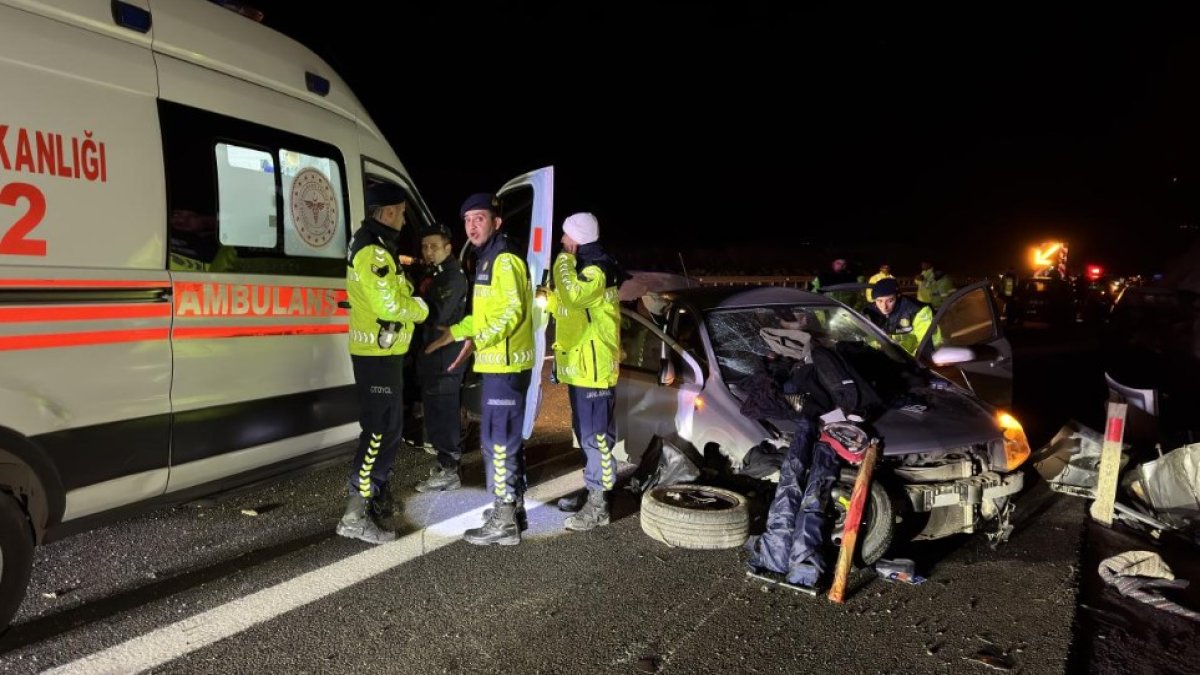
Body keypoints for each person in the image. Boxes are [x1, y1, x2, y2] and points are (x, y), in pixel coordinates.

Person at [425, 192, 535, 546]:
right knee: (501, 440)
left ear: (496, 222)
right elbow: (486, 314)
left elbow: (511, 312)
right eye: (468, 220)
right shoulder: (488, 257)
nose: (472, 226)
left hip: (506, 364)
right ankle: (511, 509)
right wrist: (457, 332)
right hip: (500, 363)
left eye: (480, 218)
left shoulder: (504, 259)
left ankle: (504, 520)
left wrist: (479, 339)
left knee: (498, 442)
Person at [337, 182, 429, 544]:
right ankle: (354, 514)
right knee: (377, 431)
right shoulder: (372, 250)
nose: (404, 220)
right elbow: (389, 305)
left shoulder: (378, 244)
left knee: (390, 428)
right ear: (389, 212)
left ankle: (375, 495)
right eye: (402, 213)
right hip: (375, 355)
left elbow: (395, 291)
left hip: (384, 352)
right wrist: (420, 309)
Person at [539, 212, 626, 531]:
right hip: (580, 369)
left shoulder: (596, 269)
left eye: (566, 236)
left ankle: (599, 505)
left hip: (594, 371)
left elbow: (575, 296)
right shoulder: (584, 269)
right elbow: (571, 309)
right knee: (586, 435)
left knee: (596, 438)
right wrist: (548, 299)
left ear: (577, 238)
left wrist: (563, 261)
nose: (562, 241)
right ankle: (593, 491)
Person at [413, 223, 470, 493]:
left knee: (444, 412)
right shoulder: (435, 273)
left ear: (448, 248)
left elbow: (438, 314)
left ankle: (450, 470)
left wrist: (409, 305)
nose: (428, 251)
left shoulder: (452, 277)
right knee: (435, 410)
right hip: (433, 355)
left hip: (446, 356)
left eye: (434, 246)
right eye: (425, 247)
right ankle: (445, 464)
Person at [863, 277, 933, 357]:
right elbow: (862, 339)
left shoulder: (917, 310)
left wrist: (913, 360)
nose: (884, 307)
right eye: (879, 301)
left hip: (909, 359)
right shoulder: (868, 313)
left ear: (898, 296)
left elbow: (928, 345)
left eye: (890, 301)